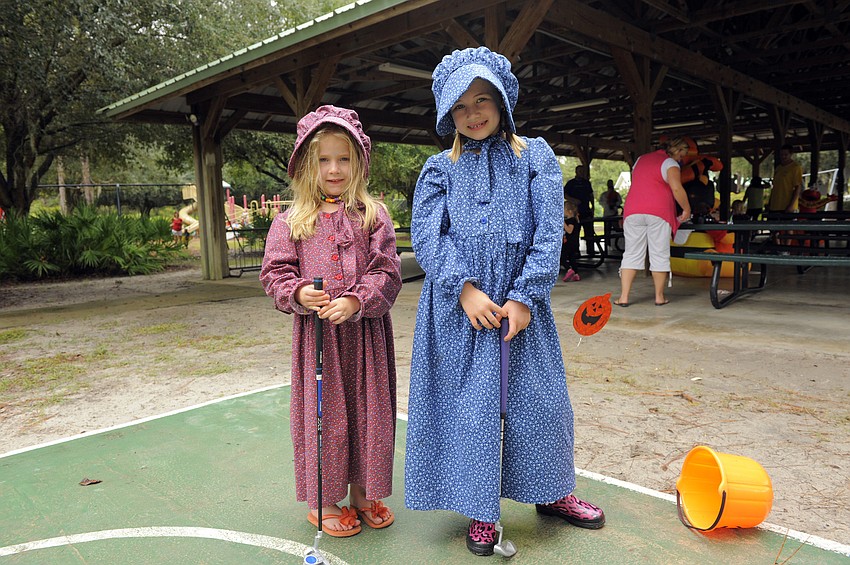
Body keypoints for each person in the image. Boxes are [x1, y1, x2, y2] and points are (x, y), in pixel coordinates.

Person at [404, 46, 605, 558]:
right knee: (471, 412)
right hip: (460, 308)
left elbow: (547, 230)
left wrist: (524, 294)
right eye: (461, 105)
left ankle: (552, 490)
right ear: (447, 112)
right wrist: (464, 289)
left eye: (483, 100)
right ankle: (480, 509)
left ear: (503, 102)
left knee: (541, 403)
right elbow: (428, 237)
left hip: (521, 305)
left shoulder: (534, 155)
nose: (473, 113)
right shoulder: (437, 170)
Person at [260, 105, 401, 538]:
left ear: (358, 161)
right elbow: (275, 273)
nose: (334, 169)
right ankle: (323, 501)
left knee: (368, 414)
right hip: (318, 342)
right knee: (325, 418)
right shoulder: (290, 222)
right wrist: (300, 292)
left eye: (344, 158)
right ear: (306, 163)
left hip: (366, 340)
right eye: (323, 160)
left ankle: (364, 492)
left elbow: (388, 271)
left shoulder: (373, 216)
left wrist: (358, 300)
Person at [614, 136, 691, 307]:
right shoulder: (670, 163)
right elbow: (676, 188)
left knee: (631, 253)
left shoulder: (641, 160)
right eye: (682, 155)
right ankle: (659, 297)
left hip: (633, 211)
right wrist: (686, 209)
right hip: (658, 212)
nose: (681, 160)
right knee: (659, 253)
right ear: (677, 151)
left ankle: (624, 297)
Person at [564, 164, 596, 256]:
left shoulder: (586, 183)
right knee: (575, 231)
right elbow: (564, 194)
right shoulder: (571, 183)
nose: (582, 173)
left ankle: (591, 250)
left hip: (586, 210)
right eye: (580, 171)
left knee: (589, 231)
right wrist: (572, 200)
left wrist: (592, 207)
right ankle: (575, 251)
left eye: (583, 171)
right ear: (576, 172)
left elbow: (591, 195)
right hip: (574, 212)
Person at [767, 144, 803, 213]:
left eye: (786, 154)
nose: (783, 156)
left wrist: (791, 205)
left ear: (791, 154)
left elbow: (798, 187)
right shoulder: (778, 168)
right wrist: (770, 203)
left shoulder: (795, 168)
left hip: (787, 207)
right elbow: (774, 187)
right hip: (774, 206)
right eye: (781, 154)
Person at [561, 198, 581, 282]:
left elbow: (569, 230)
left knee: (562, 257)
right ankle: (576, 274)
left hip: (569, 243)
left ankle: (569, 269)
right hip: (574, 243)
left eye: (564, 209)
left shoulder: (571, 220)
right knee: (572, 258)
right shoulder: (575, 220)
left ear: (569, 211)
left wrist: (563, 223)